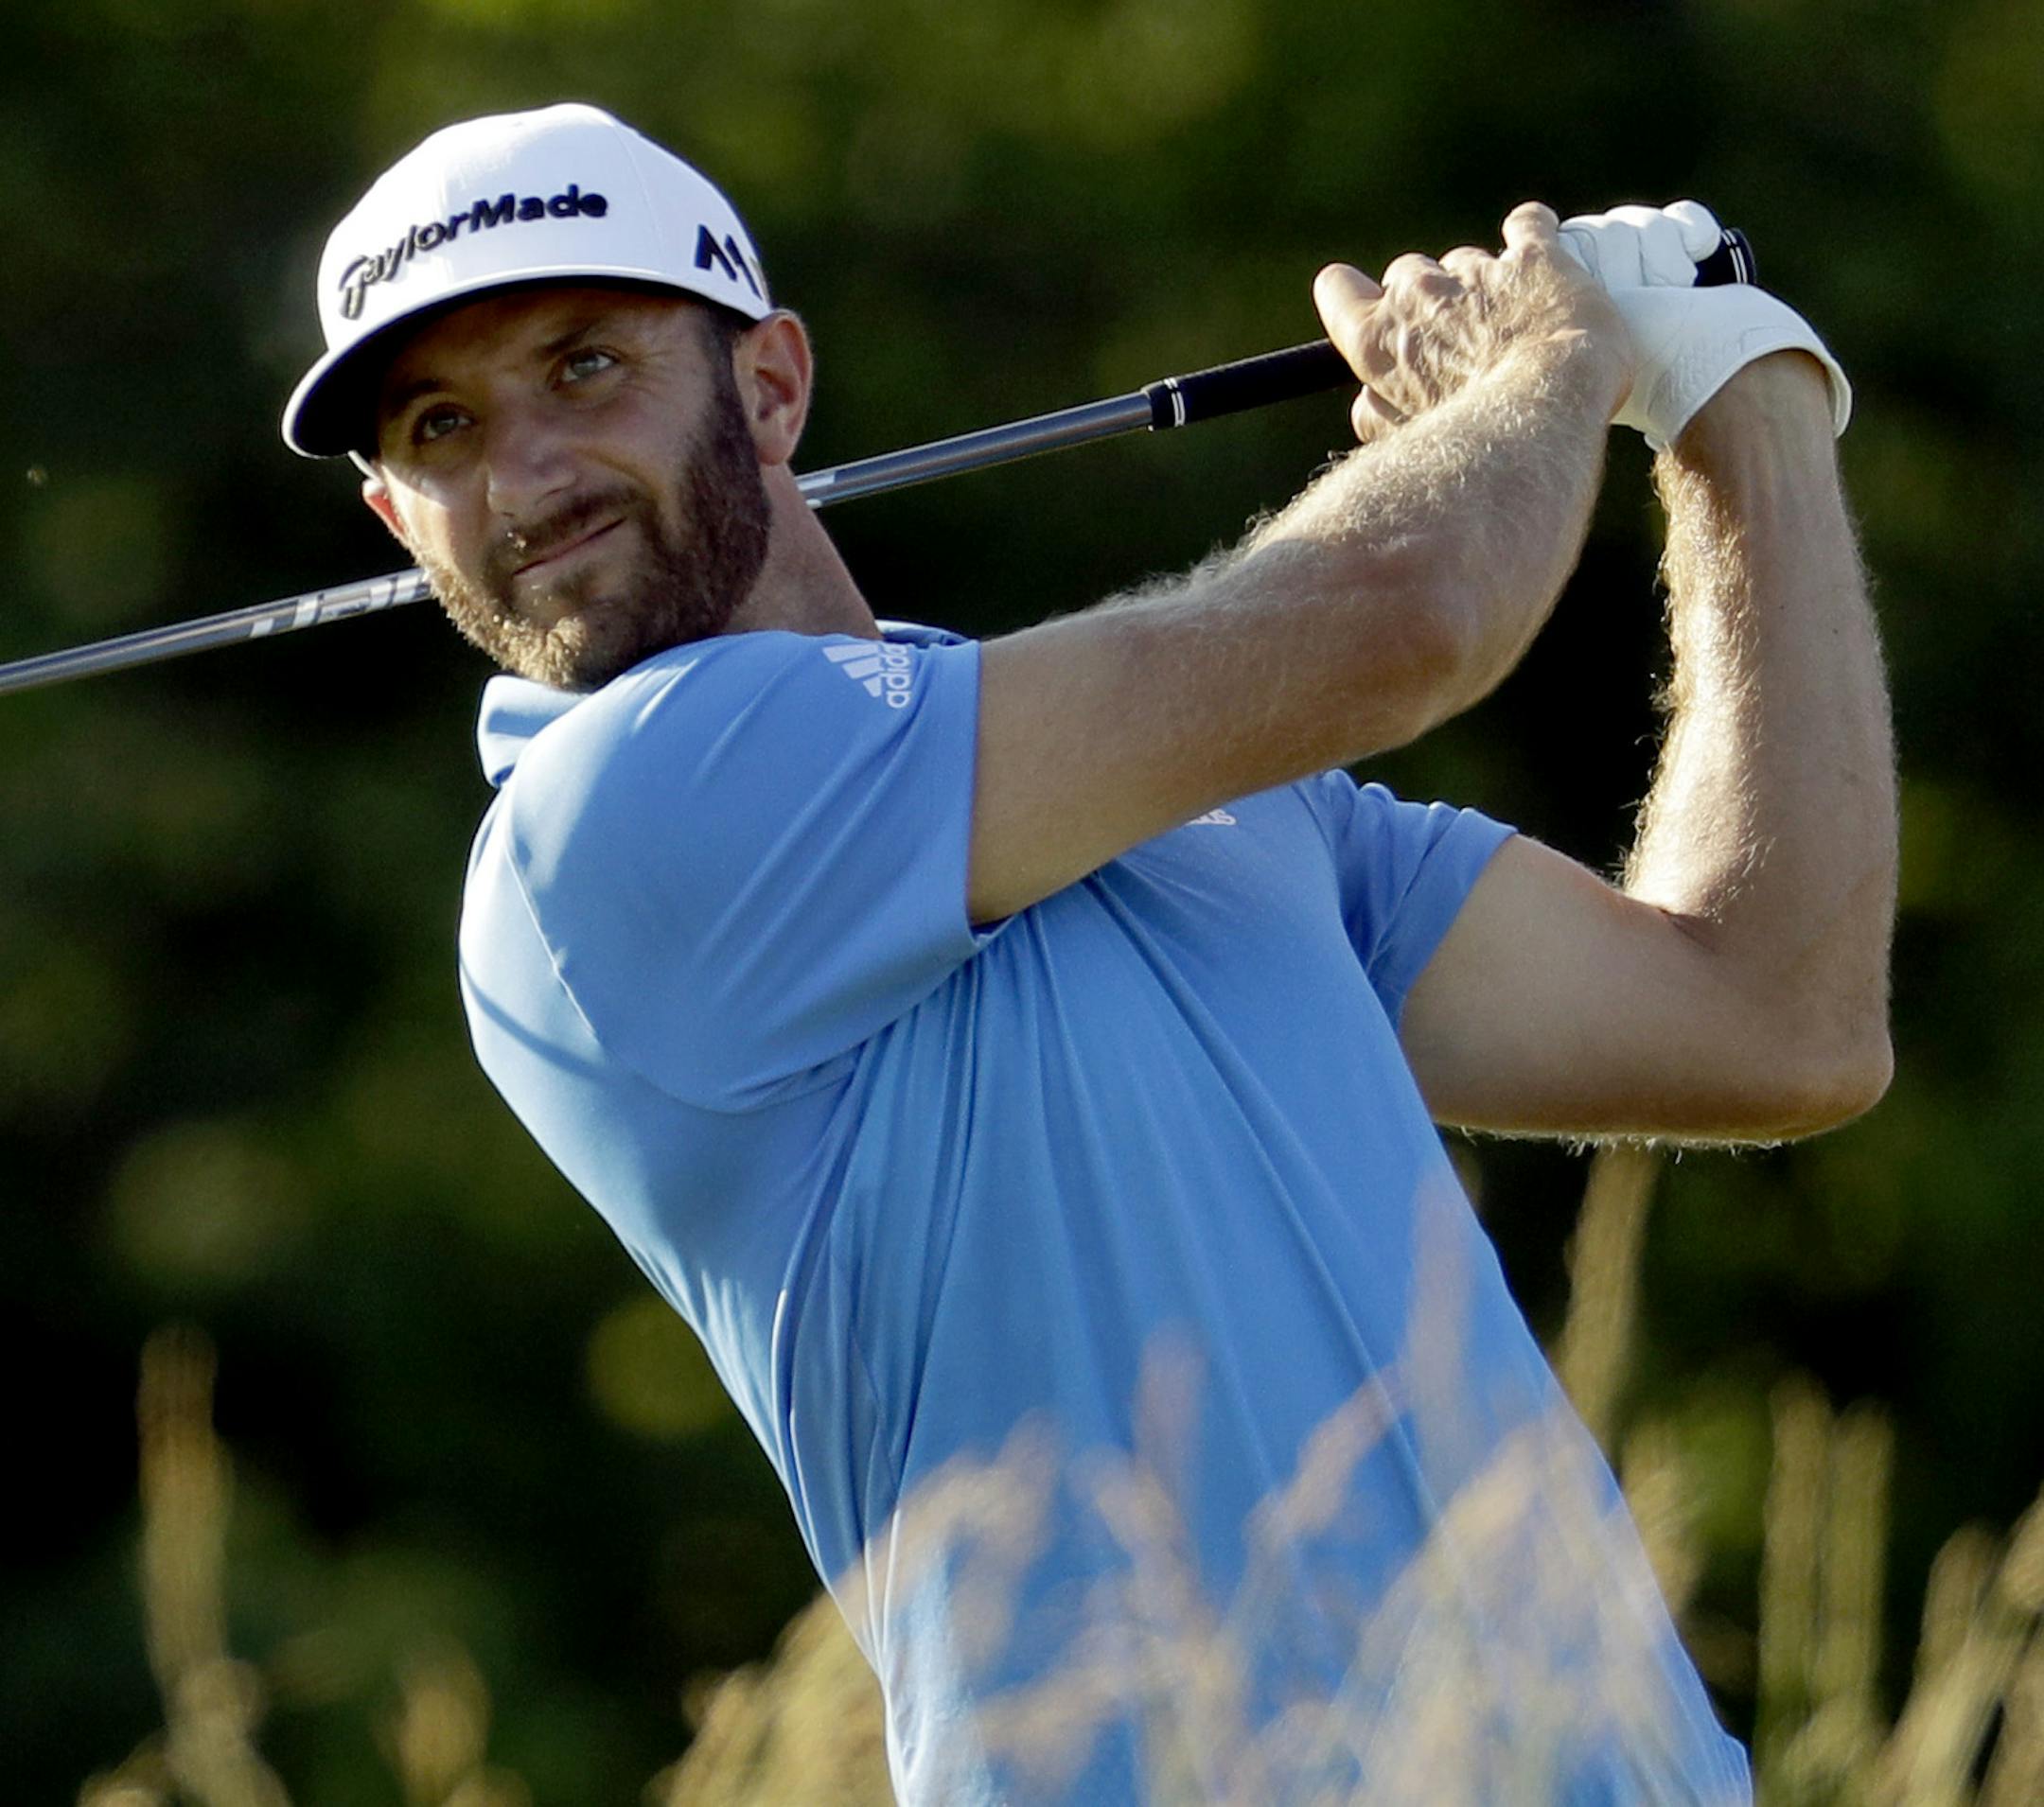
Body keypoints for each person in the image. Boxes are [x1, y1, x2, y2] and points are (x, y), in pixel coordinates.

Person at [284, 102, 1894, 1804]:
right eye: (445, 427)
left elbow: (1774, 1016)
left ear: (767, 386)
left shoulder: (1205, 804)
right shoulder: (608, 822)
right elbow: (1407, 612)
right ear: (399, 516)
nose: (522, 477)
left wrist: (1740, 401)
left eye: (586, 368)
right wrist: (1553, 356)